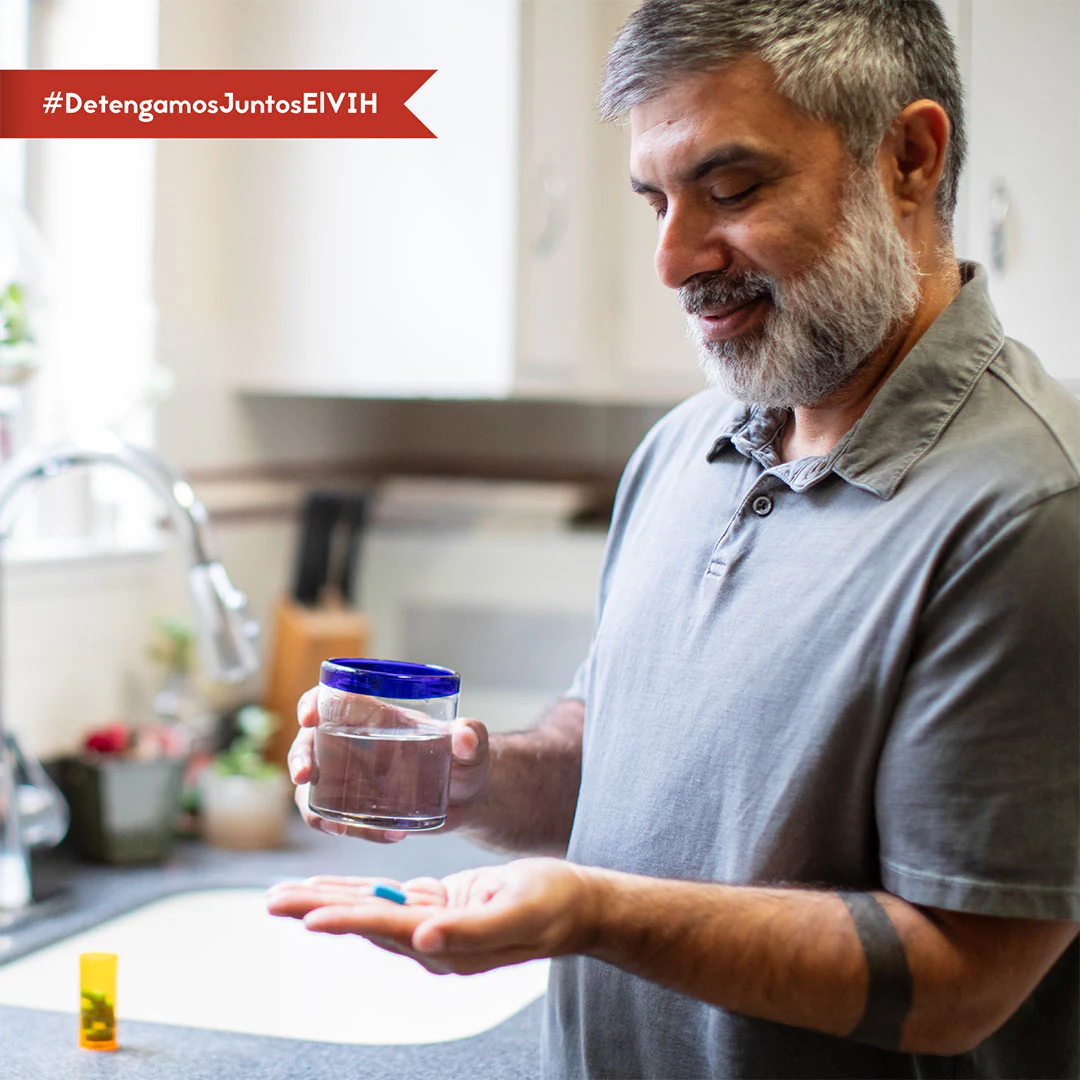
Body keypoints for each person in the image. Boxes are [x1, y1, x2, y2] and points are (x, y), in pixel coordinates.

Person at [268, 2, 1079, 1077]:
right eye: (655, 200)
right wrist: (468, 781)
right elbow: (611, 753)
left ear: (910, 159)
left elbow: (962, 975)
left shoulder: (1026, 510)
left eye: (731, 190)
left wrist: (595, 913)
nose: (673, 258)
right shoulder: (685, 447)